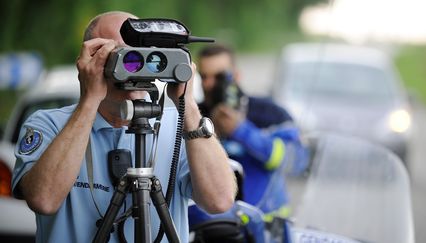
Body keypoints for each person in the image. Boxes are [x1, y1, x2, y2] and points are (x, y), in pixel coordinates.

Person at [11, 11, 235, 243]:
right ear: (89, 60)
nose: (133, 64)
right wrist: (89, 101)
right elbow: (43, 200)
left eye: (139, 52)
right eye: (118, 54)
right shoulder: (49, 124)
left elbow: (219, 201)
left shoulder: (178, 126)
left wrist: (186, 105)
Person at [196, 44, 309, 221]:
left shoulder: (270, 113)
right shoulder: (191, 116)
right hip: (213, 227)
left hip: (266, 228)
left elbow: (295, 162)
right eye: (203, 77)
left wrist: (241, 131)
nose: (209, 84)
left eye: (219, 77)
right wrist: (211, 134)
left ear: (237, 76)